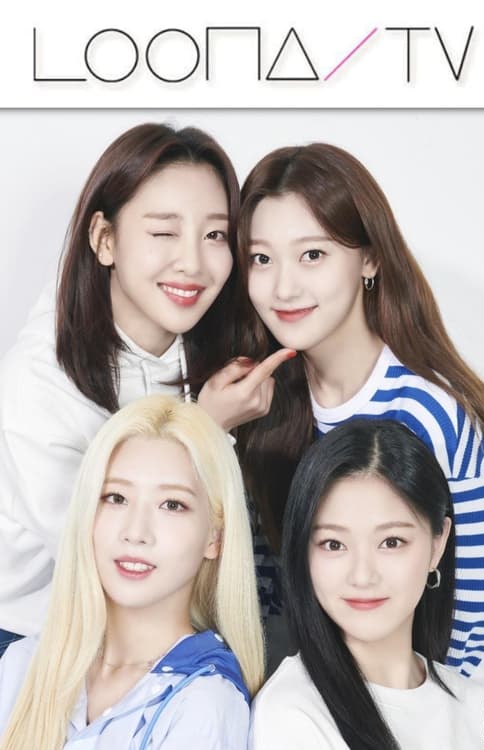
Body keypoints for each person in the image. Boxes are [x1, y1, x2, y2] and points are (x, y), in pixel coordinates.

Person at [0, 122, 292, 652]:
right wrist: (207, 429)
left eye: (215, 235)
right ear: (104, 239)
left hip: (151, 621)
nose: (193, 263)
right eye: (164, 233)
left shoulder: (208, 342)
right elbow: (112, 560)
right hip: (33, 634)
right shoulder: (39, 382)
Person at [235, 142, 484, 678]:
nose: (283, 286)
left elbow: (475, 629)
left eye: (313, 255)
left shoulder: (431, 414)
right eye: (262, 258)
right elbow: (258, 601)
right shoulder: (258, 402)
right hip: (292, 692)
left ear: (370, 259)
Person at [0, 394, 264, 749]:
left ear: (214, 537)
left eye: (172, 505)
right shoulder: (22, 664)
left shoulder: (205, 701)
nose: (136, 532)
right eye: (116, 498)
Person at [250, 419, 484, 750]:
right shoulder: (291, 713)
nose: (362, 576)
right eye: (334, 544)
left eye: (391, 542)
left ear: (437, 545)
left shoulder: (483, 708)